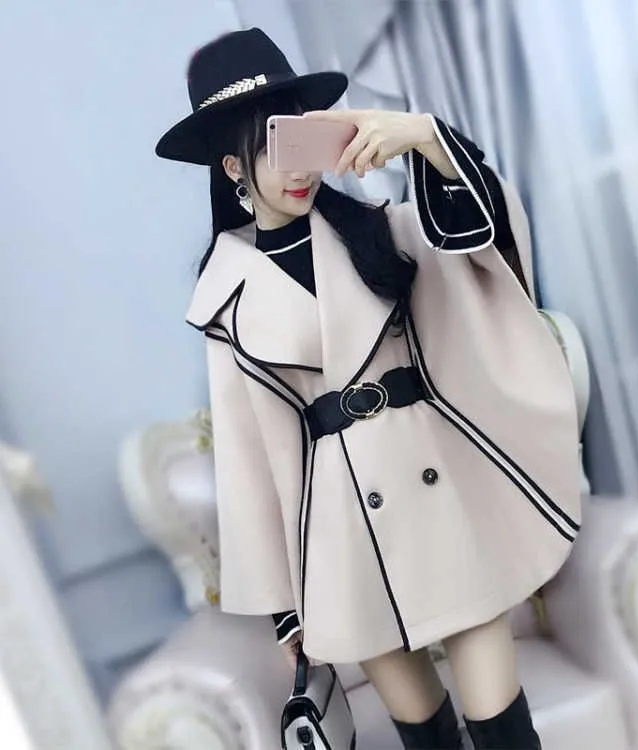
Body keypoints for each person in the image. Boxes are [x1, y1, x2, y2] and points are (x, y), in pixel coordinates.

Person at [156, 27, 581, 750]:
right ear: (232, 166)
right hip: (339, 535)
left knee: (504, 730)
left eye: (301, 138)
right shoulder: (223, 296)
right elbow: (251, 457)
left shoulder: (382, 232)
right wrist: (286, 609)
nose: (297, 166)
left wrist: (424, 137)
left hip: (438, 494)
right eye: (271, 147)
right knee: (425, 737)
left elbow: (485, 237)